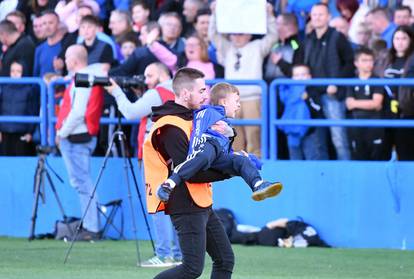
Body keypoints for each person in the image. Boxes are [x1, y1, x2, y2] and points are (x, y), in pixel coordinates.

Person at [143, 67, 235, 278]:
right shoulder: (170, 127)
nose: (207, 95)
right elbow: (190, 172)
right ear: (185, 94)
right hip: (185, 203)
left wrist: (228, 136)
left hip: (201, 202)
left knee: (225, 260)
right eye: (202, 90)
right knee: (192, 269)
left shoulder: (194, 118)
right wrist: (230, 171)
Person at [106, 62, 182, 267]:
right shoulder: (179, 91)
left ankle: (164, 254)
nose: (146, 80)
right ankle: (177, 254)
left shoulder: (157, 92)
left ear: (161, 74)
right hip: (174, 151)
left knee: (158, 202)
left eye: (150, 76)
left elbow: (130, 113)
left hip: (154, 152)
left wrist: (116, 93)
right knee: (174, 204)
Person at [156, 82, 282, 203]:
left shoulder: (224, 122)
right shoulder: (208, 112)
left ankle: (258, 185)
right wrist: (200, 145)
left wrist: (250, 158)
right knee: (204, 156)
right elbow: (199, 130)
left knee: (240, 160)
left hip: (218, 153)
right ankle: (169, 184)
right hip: (207, 144)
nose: (239, 105)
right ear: (224, 102)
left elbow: (226, 148)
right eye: (237, 101)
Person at [209, 2, 278, 157]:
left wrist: (270, 15)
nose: (237, 36)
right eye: (234, 33)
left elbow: (273, 36)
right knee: (234, 134)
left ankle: (256, 164)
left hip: (252, 97)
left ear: (249, 33)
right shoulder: (227, 48)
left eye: (241, 33)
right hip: (231, 99)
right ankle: (236, 163)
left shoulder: (258, 46)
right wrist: (214, 14)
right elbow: (213, 35)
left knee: (254, 134)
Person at [55, 45, 105, 241]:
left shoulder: (81, 79)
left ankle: (92, 228)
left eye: (67, 58)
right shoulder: (90, 75)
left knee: (82, 183)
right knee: (83, 182)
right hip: (83, 135)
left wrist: (61, 132)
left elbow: (77, 112)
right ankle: (91, 225)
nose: (65, 61)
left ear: (73, 60)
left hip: (76, 136)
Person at [298, 3, 354, 160]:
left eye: (320, 15)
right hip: (312, 94)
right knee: (316, 139)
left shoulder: (338, 37)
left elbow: (350, 64)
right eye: (314, 15)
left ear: (329, 17)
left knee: (339, 138)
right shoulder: (307, 39)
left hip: (332, 96)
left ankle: (346, 170)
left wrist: (336, 83)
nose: (316, 18)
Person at [279, 64, 328, 160]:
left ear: (309, 77)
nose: (300, 78)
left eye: (303, 74)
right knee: (295, 158)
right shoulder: (288, 92)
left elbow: (318, 109)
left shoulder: (312, 90)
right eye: (296, 75)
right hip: (292, 130)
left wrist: (307, 99)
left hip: (310, 131)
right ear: (292, 78)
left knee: (313, 157)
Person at [346, 47, 387, 161]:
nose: (368, 63)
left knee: (376, 159)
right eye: (364, 60)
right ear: (356, 63)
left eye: (370, 60)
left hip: (374, 126)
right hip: (357, 125)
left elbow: (376, 103)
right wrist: (369, 103)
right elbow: (349, 104)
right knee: (359, 158)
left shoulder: (377, 80)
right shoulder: (351, 81)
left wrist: (356, 103)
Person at [215, 208, 330, 248]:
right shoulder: (295, 227)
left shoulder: (303, 234)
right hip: (258, 232)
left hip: (257, 236)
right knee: (231, 232)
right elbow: (281, 221)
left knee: (230, 236)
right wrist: (270, 226)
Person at [0, 60, 39, 156]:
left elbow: (33, 111)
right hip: (5, 132)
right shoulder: (3, 88)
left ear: (23, 72)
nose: (15, 74)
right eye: (12, 71)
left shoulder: (30, 89)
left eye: (18, 71)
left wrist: (30, 132)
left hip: (22, 132)